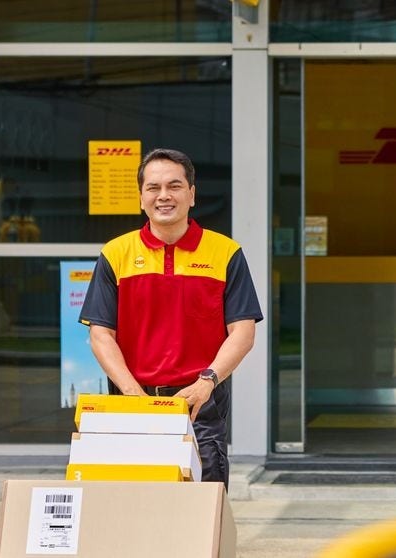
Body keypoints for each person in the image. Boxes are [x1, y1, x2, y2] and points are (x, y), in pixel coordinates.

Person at [79, 148, 262, 488]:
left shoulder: (226, 253)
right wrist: (133, 393)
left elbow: (242, 332)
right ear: (141, 198)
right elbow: (101, 334)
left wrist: (207, 381)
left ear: (192, 194)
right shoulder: (116, 253)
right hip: (132, 401)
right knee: (132, 504)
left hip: (200, 402)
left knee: (202, 507)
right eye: (153, 187)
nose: (164, 196)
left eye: (174, 186)